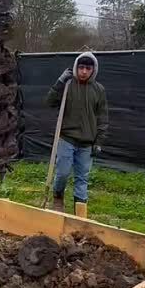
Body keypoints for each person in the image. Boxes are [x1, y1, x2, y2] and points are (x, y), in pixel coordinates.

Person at [45, 51, 108, 212]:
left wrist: (99, 141)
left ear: (93, 70)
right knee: (63, 173)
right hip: (67, 138)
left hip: (87, 142)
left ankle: (79, 210)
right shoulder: (67, 85)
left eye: (88, 68)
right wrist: (59, 82)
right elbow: (50, 102)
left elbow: (102, 117)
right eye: (81, 67)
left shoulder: (99, 89)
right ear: (76, 67)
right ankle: (58, 196)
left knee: (82, 178)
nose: (84, 71)